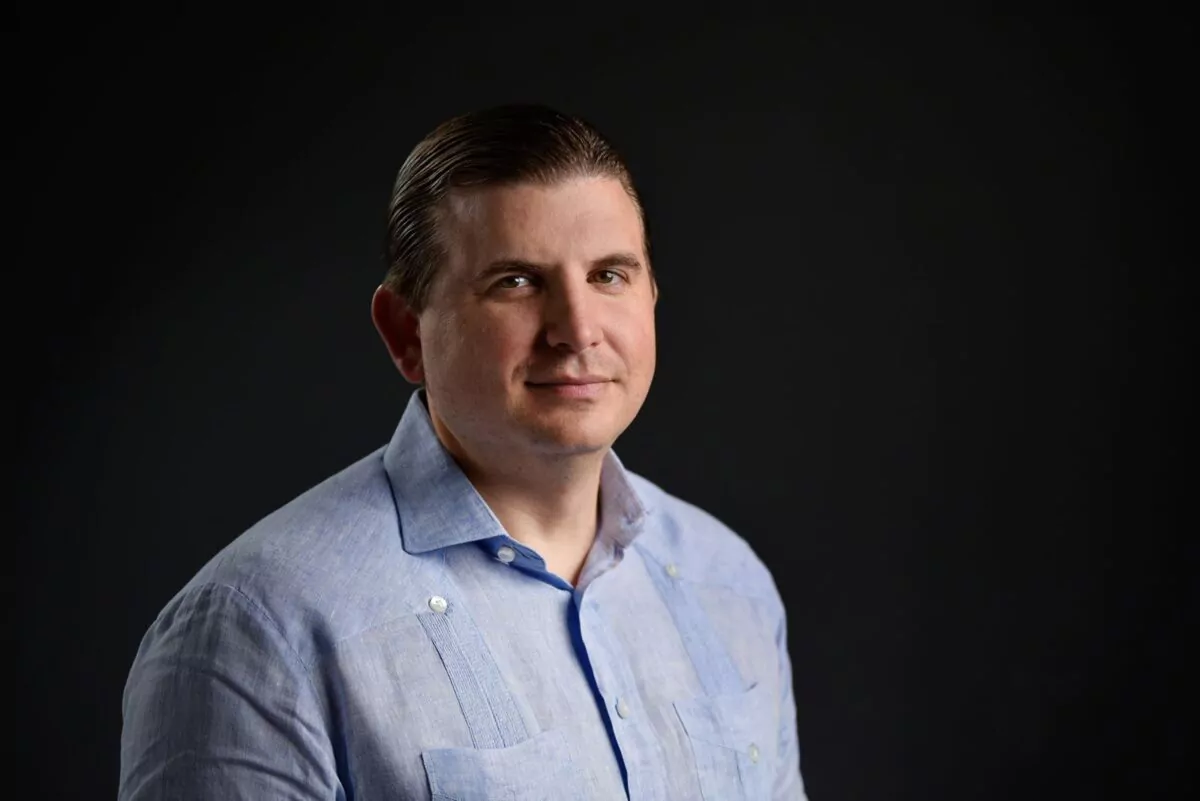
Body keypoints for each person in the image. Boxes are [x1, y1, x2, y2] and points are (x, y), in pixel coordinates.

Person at [118, 103, 808, 800]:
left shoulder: (730, 584)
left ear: (651, 295)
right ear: (406, 334)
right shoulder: (259, 630)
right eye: (517, 281)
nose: (576, 330)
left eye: (608, 275)